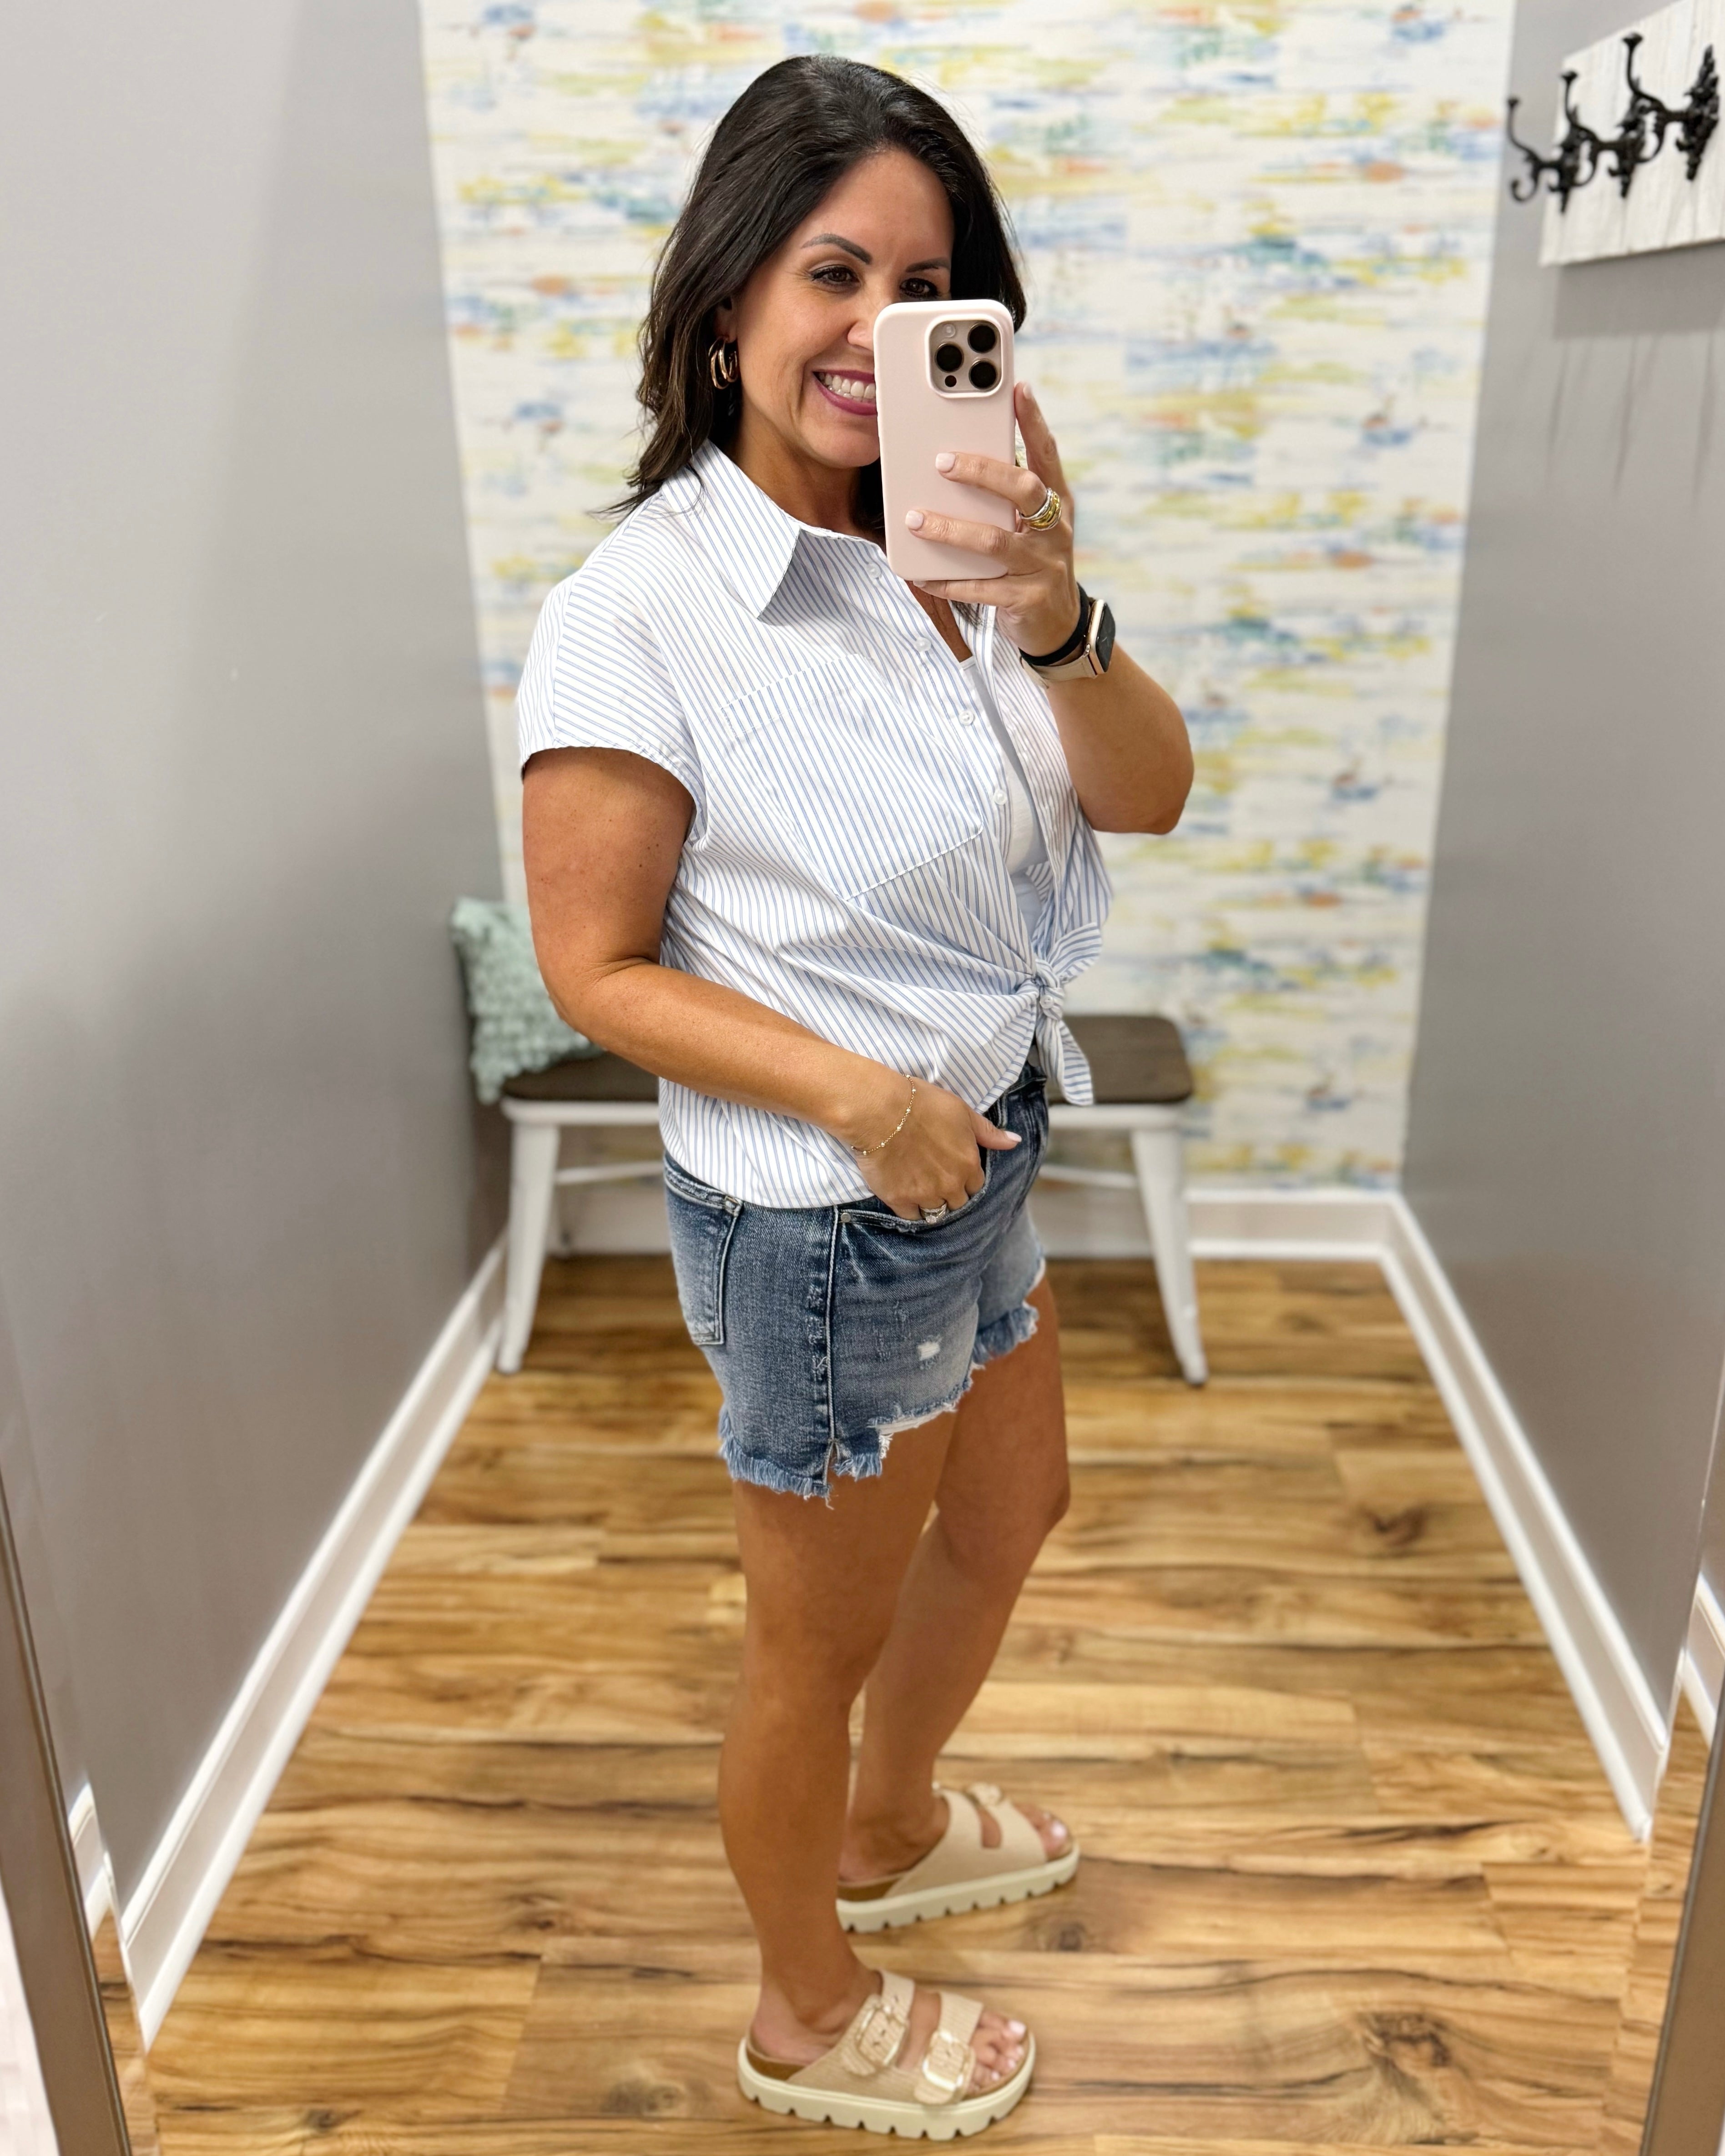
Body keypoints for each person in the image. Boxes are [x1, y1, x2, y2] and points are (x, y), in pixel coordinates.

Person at [518, 53, 1192, 2138]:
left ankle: (889, 1831)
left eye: (929, 287)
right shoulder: (643, 615)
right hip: (829, 1209)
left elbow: (1147, 796)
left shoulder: (966, 552)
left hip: (979, 1148)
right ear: (728, 297)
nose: (878, 328)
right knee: (806, 1649)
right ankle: (802, 2011)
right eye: (834, 272)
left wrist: (1055, 606)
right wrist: (859, 1100)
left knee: (1011, 1512)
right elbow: (594, 969)